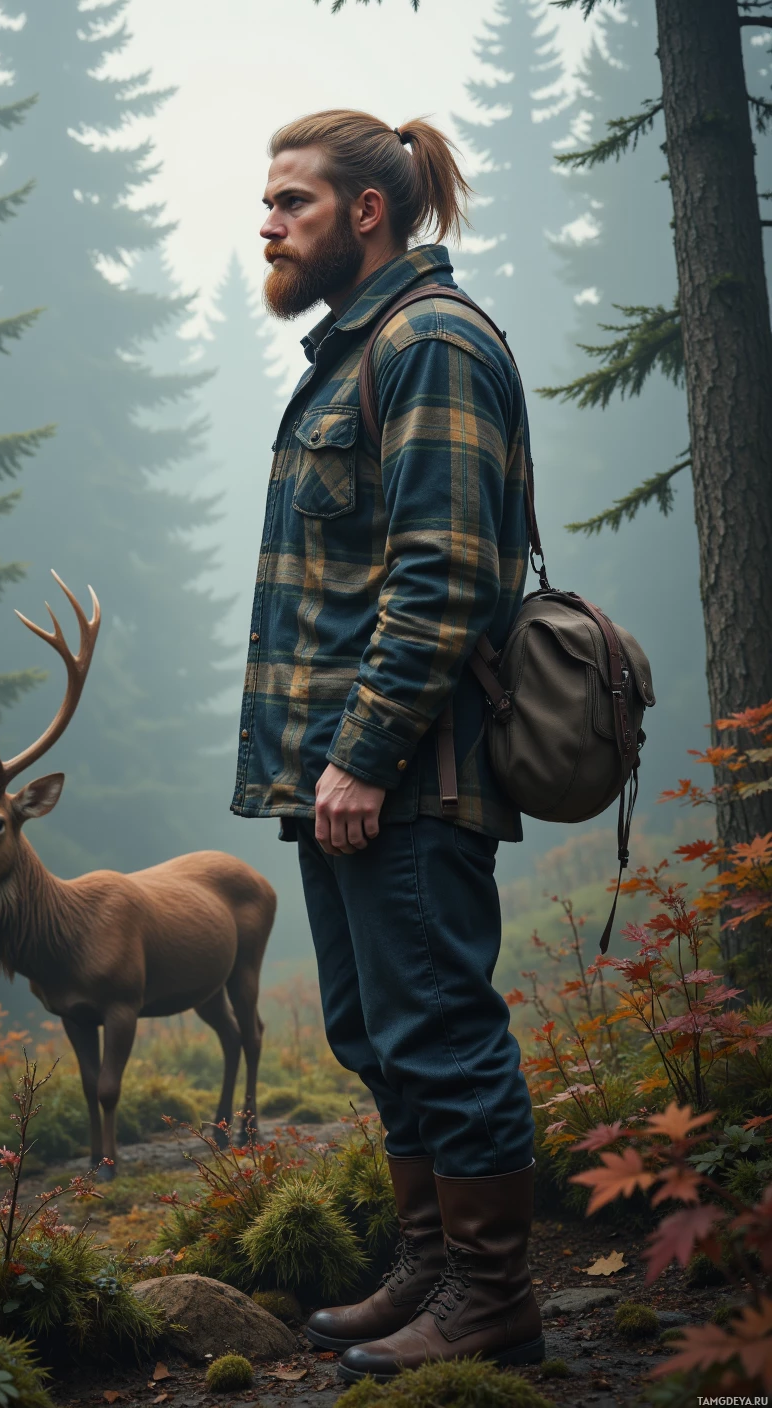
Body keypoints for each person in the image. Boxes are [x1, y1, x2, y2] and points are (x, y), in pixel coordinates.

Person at [230, 110, 543, 1379]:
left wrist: (359, 756)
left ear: (367, 211)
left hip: (403, 775)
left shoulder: (429, 345)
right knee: (373, 1032)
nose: (267, 221)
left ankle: (491, 1301)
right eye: (267, 200)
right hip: (341, 778)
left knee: (440, 1032)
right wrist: (326, 771)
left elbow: (446, 575)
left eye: (292, 200)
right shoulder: (358, 349)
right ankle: (430, 1263)